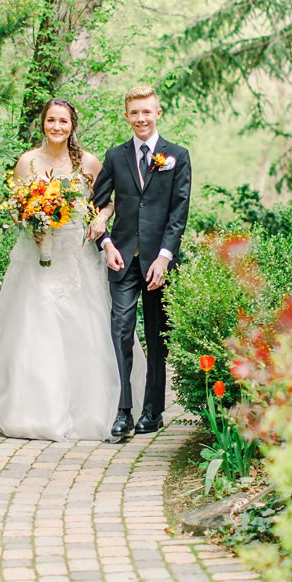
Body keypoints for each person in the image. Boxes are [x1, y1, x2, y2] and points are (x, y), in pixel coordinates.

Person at [0, 99, 121, 441]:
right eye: (51, 120)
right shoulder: (28, 161)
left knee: (84, 327)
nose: (57, 126)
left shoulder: (89, 162)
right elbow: (17, 208)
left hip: (76, 255)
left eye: (63, 121)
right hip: (38, 254)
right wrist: (30, 220)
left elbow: (108, 201)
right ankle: (28, 408)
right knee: (33, 325)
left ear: (72, 124)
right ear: (43, 123)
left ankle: (87, 409)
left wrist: (100, 221)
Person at [88, 85, 192, 443]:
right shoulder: (115, 157)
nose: (141, 119)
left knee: (156, 335)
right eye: (134, 113)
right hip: (122, 258)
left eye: (147, 112)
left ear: (157, 113)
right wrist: (105, 243)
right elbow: (96, 206)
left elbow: (179, 215)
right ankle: (123, 411)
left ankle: (153, 410)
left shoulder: (177, 156)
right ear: (127, 116)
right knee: (121, 331)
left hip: (158, 262)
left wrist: (165, 257)